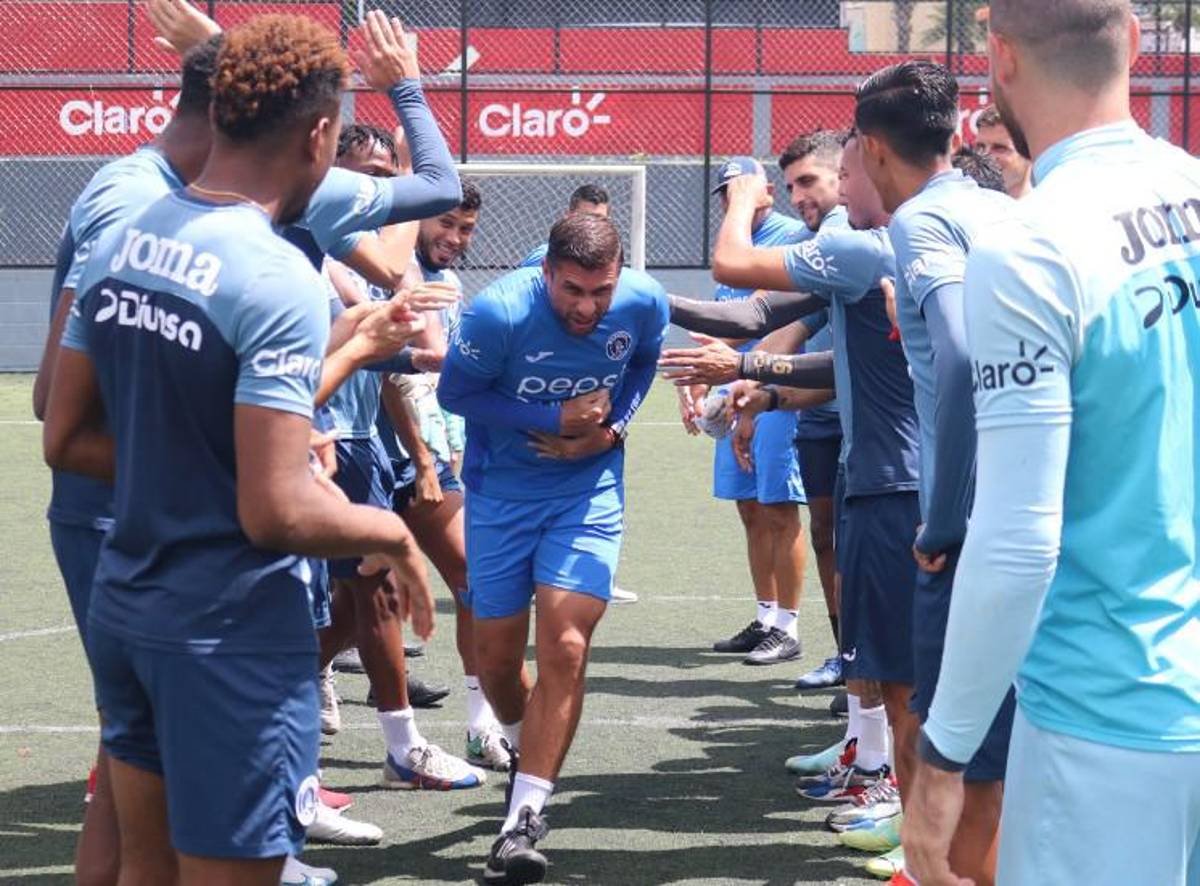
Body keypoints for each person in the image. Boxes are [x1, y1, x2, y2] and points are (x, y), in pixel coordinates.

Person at [41, 14, 435, 885]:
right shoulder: (274, 275)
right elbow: (274, 507)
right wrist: (391, 533)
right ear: (322, 134)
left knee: (145, 869)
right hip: (227, 630)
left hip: (125, 605)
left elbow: (62, 434)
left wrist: (189, 470)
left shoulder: (122, 235)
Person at [903, 3, 1200, 884]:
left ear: (998, 59)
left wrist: (944, 756)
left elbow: (1018, 539)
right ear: (1135, 45)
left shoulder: (1030, 244)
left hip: (1105, 720)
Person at [669, 133, 921, 880]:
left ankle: (914, 813)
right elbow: (826, 353)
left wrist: (741, 203)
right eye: (817, 179)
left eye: (833, 175)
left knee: (915, 670)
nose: (829, 193)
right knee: (879, 643)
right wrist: (768, 388)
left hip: (903, 479)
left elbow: (740, 296)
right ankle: (880, 770)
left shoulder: (870, 243)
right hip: (878, 468)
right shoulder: (876, 244)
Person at [438, 213, 668, 884]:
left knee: (566, 644)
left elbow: (648, 356)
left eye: (600, 291)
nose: (587, 307)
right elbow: (457, 392)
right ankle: (519, 750)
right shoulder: (497, 314)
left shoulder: (644, 299)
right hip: (501, 496)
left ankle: (524, 819)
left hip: (585, 492)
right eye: (572, 290)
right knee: (499, 663)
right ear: (546, 274)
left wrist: (614, 429)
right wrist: (553, 418)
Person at [854, 59, 1016, 885]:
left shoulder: (921, 223)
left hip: (975, 526)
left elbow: (955, 360)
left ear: (874, 148)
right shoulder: (1004, 206)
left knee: (964, 751)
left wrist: (943, 520)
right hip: (1036, 505)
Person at [318, 124, 486, 793]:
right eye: (369, 173)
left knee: (359, 600)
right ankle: (397, 744)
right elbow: (371, 326)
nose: (381, 187)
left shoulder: (355, 244)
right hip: (327, 440)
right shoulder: (329, 244)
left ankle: (441, 732)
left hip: (359, 444)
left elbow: (385, 354)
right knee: (362, 594)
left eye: (390, 173)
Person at [376, 178, 516, 771]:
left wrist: (454, 451)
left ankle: (481, 727)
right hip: (377, 455)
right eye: (447, 224)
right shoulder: (383, 268)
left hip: (432, 456)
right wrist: (425, 459)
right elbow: (386, 376)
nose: (455, 239)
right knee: (360, 603)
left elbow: (443, 380)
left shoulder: (448, 284)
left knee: (472, 579)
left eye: (466, 230)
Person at [694, 157, 810, 666]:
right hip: (735, 395)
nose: (728, 198)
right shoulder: (734, 236)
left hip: (774, 393)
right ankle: (765, 616)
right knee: (750, 509)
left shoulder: (788, 235)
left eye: (738, 189)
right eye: (723, 191)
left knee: (779, 509)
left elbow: (748, 325)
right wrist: (700, 384)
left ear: (766, 191)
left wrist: (697, 364)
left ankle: (788, 625)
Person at [518, 183, 611, 268]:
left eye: (599, 219)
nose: (592, 225)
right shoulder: (543, 258)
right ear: (569, 217)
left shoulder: (612, 263)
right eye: (585, 218)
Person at [973, 104, 1033, 198]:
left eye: (999, 148)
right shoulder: (958, 209)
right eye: (980, 147)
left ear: (1030, 153)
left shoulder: (1051, 209)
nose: (985, 156)